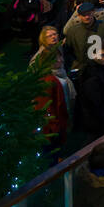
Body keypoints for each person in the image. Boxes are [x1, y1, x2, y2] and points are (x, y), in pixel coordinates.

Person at [31, 26, 76, 158]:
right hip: (53, 121)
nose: (54, 37)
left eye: (55, 34)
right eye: (50, 35)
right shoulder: (41, 61)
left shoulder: (58, 48)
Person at [73, 39, 104, 143]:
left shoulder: (98, 66)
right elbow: (96, 104)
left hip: (97, 117)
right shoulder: (90, 76)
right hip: (95, 120)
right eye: (102, 55)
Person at [63, 1, 104, 73]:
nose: (87, 17)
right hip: (81, 69)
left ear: (93, 12)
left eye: (89, 14)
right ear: (79, 16)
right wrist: (74, 63)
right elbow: (68, 50)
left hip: (101, 68)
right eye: (84, 15)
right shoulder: (73, 31)